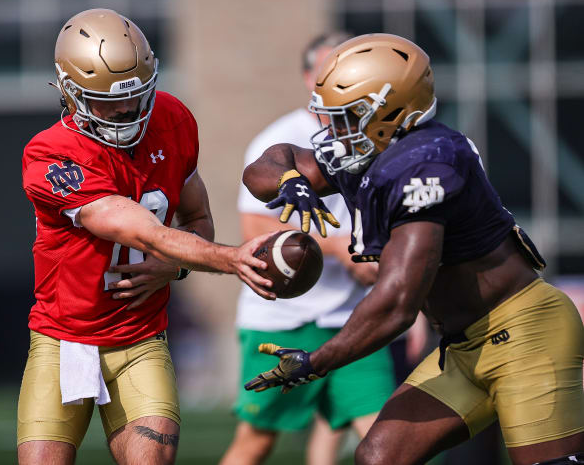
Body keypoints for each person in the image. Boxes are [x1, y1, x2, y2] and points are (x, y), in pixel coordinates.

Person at [242, 33, 584, 465]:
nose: (330, 131)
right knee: (379, 457)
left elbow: (397, 302)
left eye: (344, 117)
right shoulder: (372, 150)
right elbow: (271, 161)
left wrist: (317, 361)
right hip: (463, 345)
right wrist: (289, 181)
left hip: (526, 334)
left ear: (387, 113)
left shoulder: (426, 164)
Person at [17, 9, 274, 465]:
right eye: (106, 100)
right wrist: (233, 258)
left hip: (140, 341)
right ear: (70, 93)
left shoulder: (173, 119)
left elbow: (197, 218)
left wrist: (174, 266)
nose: (125, 111)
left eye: (136, 96)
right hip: (62, 341)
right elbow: (134, 226)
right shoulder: (50, 154)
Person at [220, 33, 396, 465]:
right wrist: (337, 249)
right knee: (256, 441)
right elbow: (255, 228)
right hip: (283, 318)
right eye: (327, 71)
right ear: (307, 77)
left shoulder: (378, 135)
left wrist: (381, 259)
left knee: (387, 444)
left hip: (354, 319)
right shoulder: (282, 137)